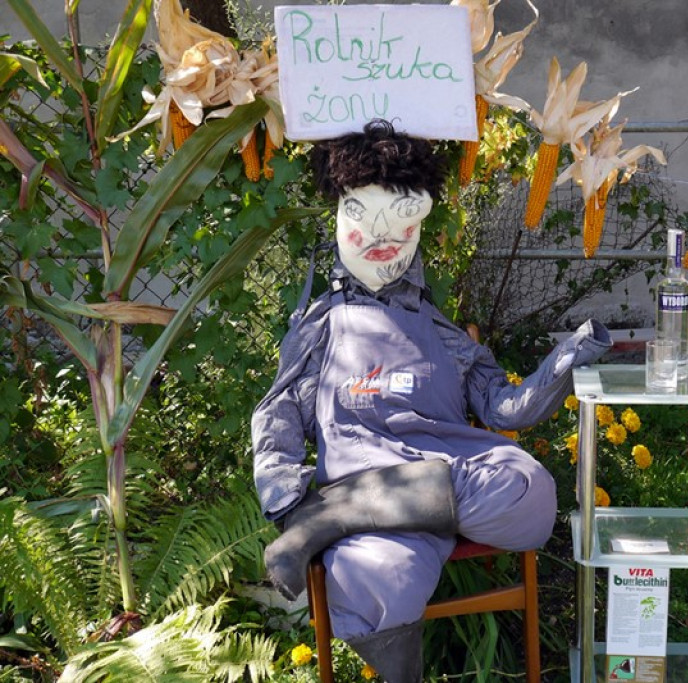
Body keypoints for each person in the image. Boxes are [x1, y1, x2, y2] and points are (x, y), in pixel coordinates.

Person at [252, 119, 611, 682]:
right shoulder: (321, 327)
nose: (380, 235)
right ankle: (339, 518)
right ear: (339, 216)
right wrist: (282, 494)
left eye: (399, 215)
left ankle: (328, 520)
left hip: (449, 479)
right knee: (373, 578)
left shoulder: (440, 330)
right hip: (373, 484)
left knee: (532, 493)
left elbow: (503, 410)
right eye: (360, 213)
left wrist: (567, 359)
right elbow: (275, 415)